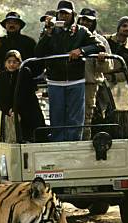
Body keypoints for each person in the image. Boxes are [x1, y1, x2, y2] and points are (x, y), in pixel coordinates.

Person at [34, 1, 105, 142]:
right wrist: (47, 33)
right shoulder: (51, 31)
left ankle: (74, 146)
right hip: (55, 81)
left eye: (66, 13)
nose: (63, 16)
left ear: (73, 15)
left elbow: (99, 46)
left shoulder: (81, 31)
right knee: (57, 117)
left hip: (76, 80)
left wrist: (81, 50)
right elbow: (38, 52)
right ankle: (58, 147)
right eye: (61, 13)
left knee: (75, 119)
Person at [76, 8, 113, 139]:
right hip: (70, 82)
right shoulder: (72, 36)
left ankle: (84, 144)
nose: (85, 23)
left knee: (86, 117)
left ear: (94, 23)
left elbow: (108, 67)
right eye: (83, 20)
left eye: (89, 21)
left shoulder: (101, 41)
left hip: (90, 83)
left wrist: (101, 60)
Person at [0, 50, 45, 143]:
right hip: (10, 116)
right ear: (5, 63)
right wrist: (8, 110)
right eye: (9, 62)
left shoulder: (24, 73)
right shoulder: (0, 78)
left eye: (14, 62)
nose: (11, 64)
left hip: (28, 113)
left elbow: (26, 94)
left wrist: (16, 109)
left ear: (19, 63)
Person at [104, 16, 128, 85]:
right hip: (94, 77)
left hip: (110, 83)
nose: (127, 28)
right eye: (124, 26)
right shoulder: (105, 40)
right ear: (118, 27)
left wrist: (113, 77)